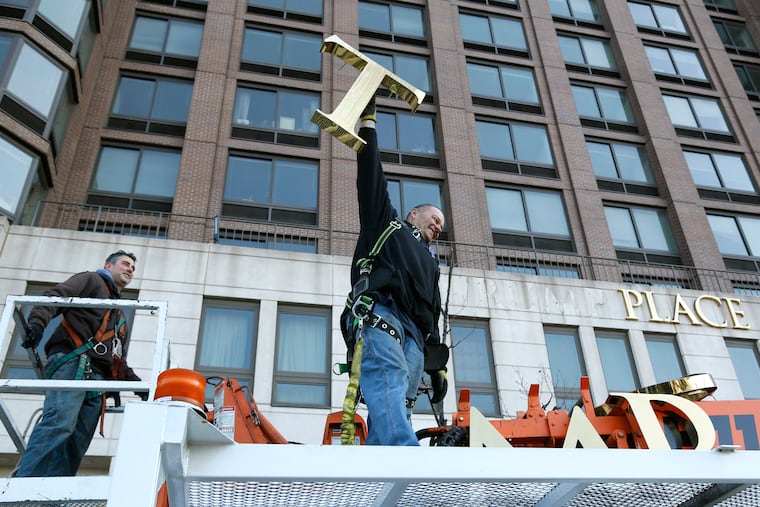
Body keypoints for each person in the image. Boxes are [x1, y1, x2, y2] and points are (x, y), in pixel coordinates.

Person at [341, 97, 448, 446]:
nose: (439, 225)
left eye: (443, 226)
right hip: (381, 312)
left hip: (416, 335)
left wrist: (437, 367)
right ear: (413, 213)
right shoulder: (387, 226)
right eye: (434, 218)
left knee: (397, 402)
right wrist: (369, 125)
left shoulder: (432, 264)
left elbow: (432, 314)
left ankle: (381, 469)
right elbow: (371, 177)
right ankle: (403, 456)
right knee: (389, 377)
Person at [15, 250, 144, 477]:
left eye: (133, 268)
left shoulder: (119, 316)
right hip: (73, 364)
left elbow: (117, 361)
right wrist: (37, 324)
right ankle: (23, 486)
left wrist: (139, 387)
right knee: (59, 425)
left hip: (97, 383)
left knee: (76, 443)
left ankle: (51, 498)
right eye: (125, 264)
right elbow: (56, 296)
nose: (130, 270)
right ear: (109, 265)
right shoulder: (91, 280)